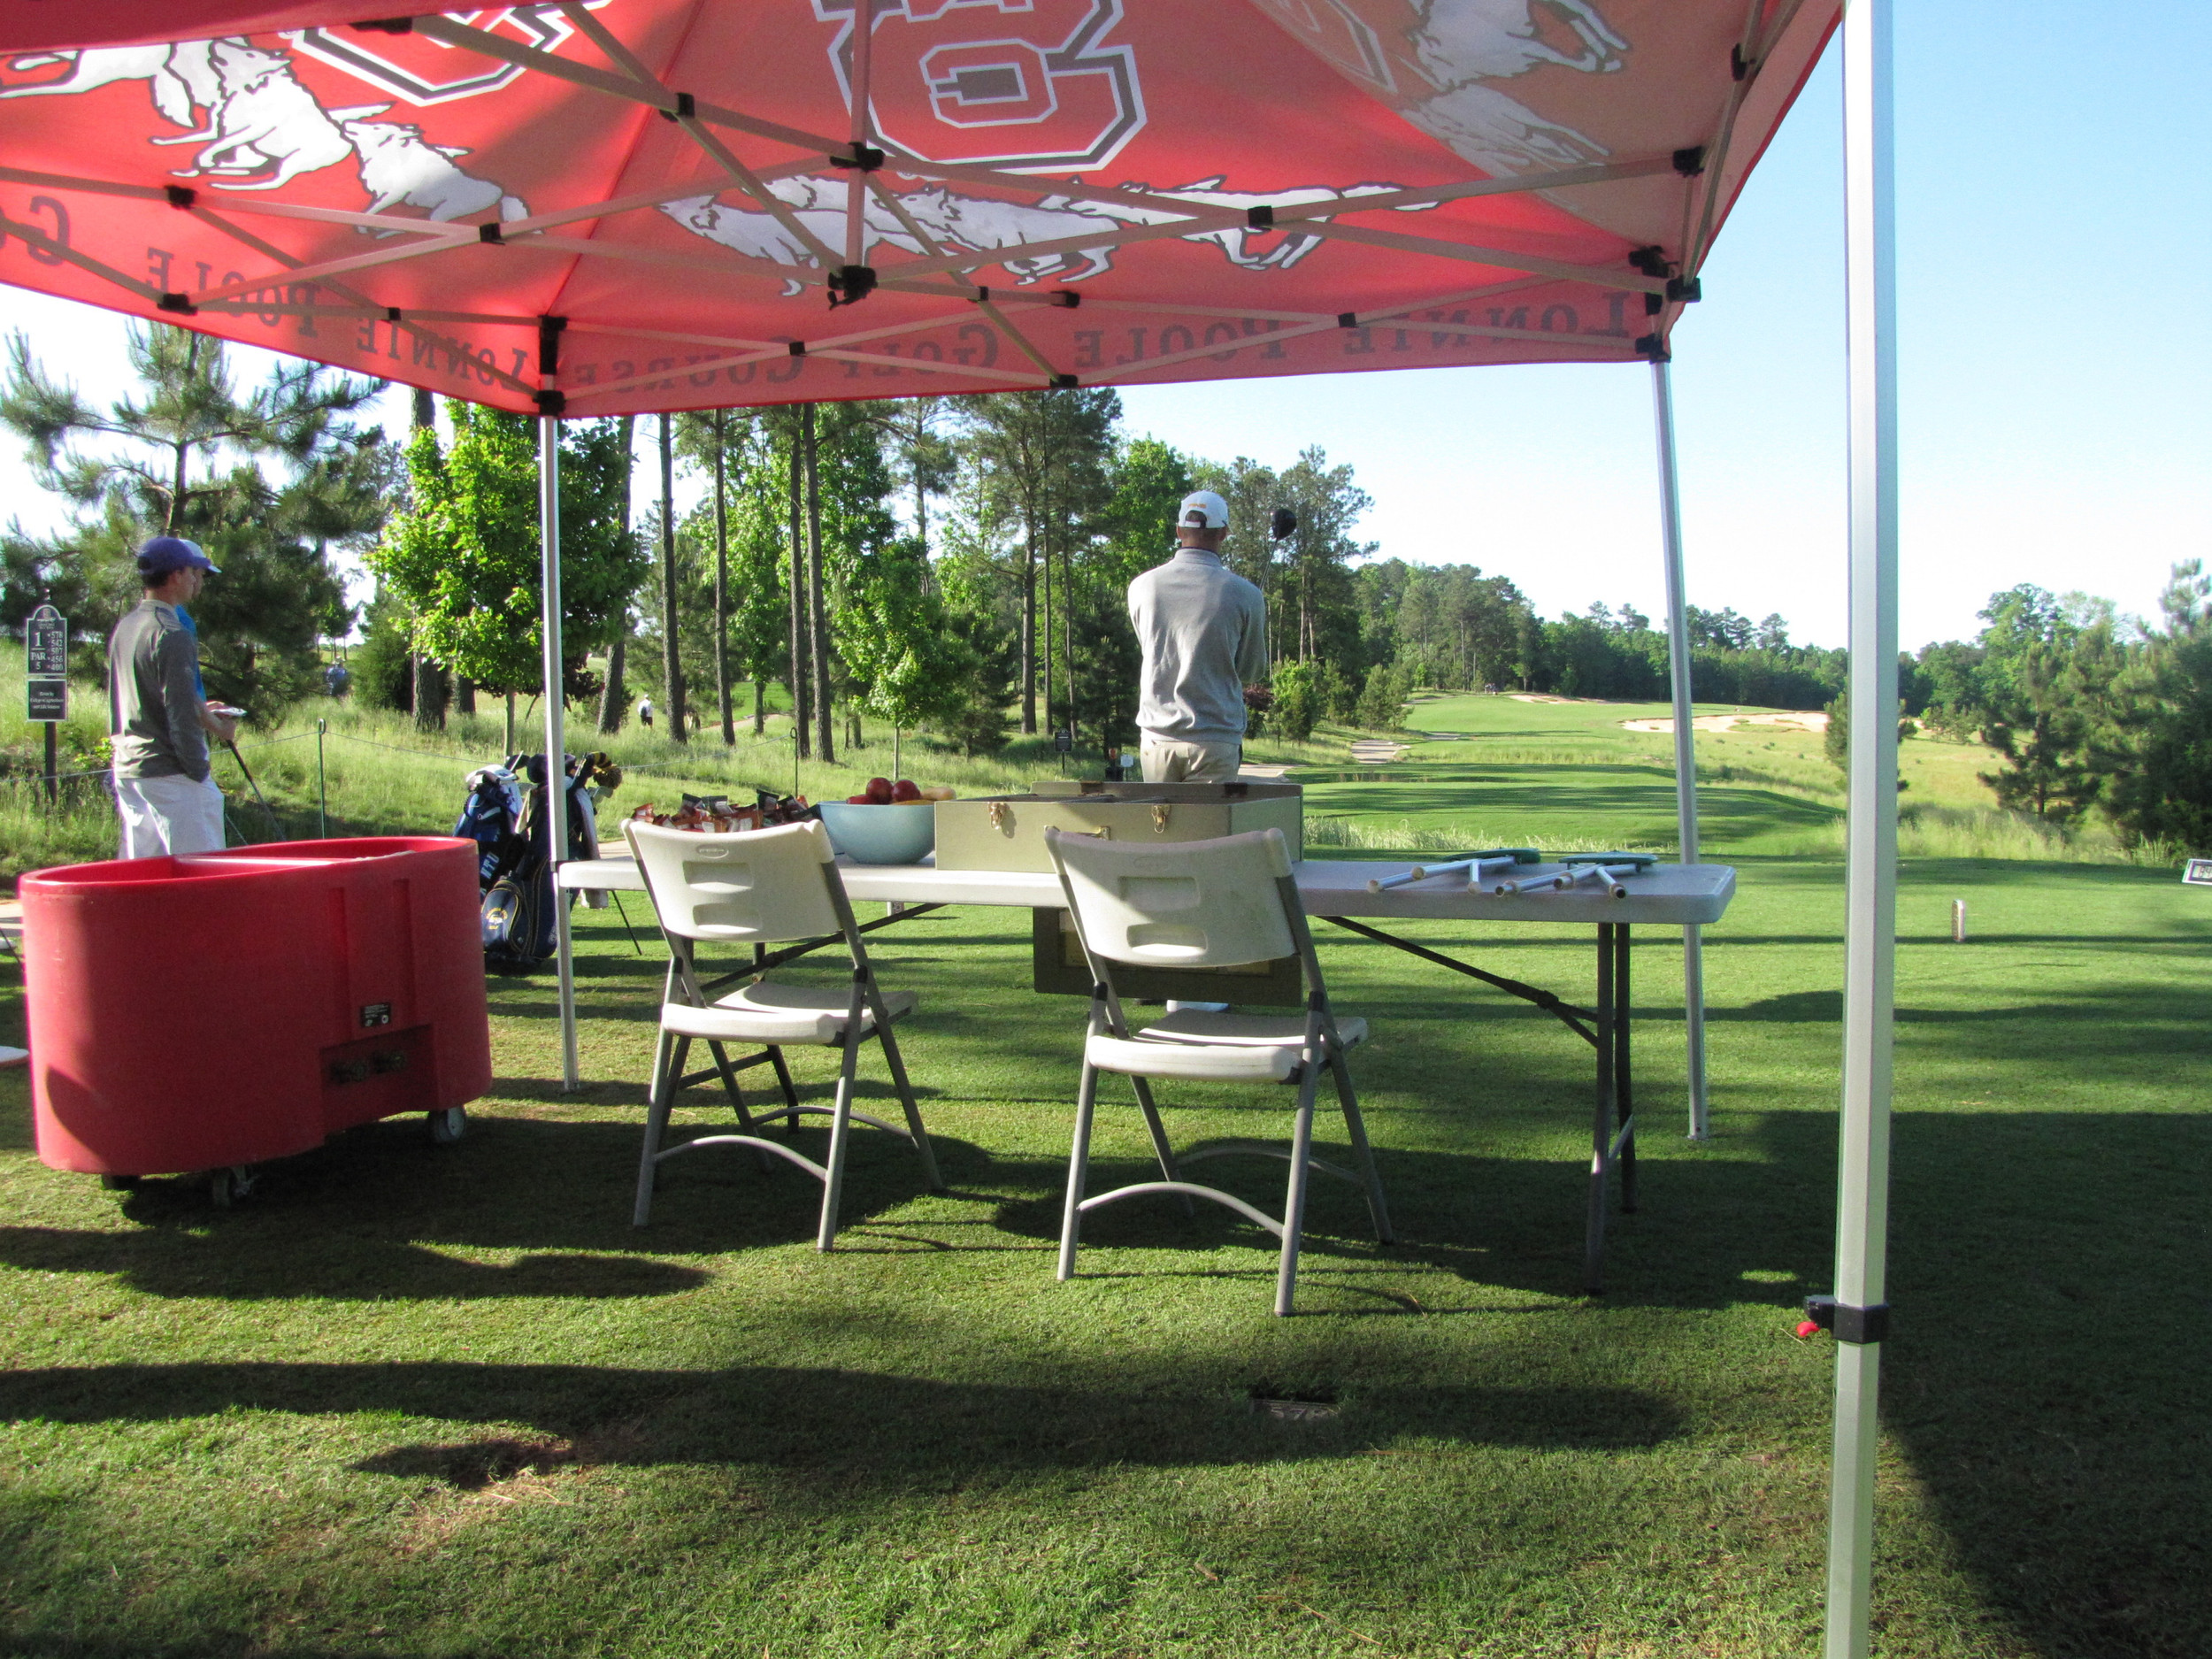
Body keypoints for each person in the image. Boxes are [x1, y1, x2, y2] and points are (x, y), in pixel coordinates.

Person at [1126, 488, 1266, 783]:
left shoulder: (1142, 586)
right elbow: (1251, 670)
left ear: (1179, 530)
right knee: (1209, 817)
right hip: (1215, 739)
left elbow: (1149, 649)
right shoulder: (1246, 594)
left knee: (1161, 815)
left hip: (1157, 739)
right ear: (1223, 533)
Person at [109, 535, 232, 857]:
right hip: (171, 772)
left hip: (130, 768)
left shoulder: (127, 627)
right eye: (193, 572)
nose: (196, 580)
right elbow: (179, 711)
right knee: (201, 874)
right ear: (176, 574)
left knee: (145, 875)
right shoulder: (171, 631)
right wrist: (198, 772)